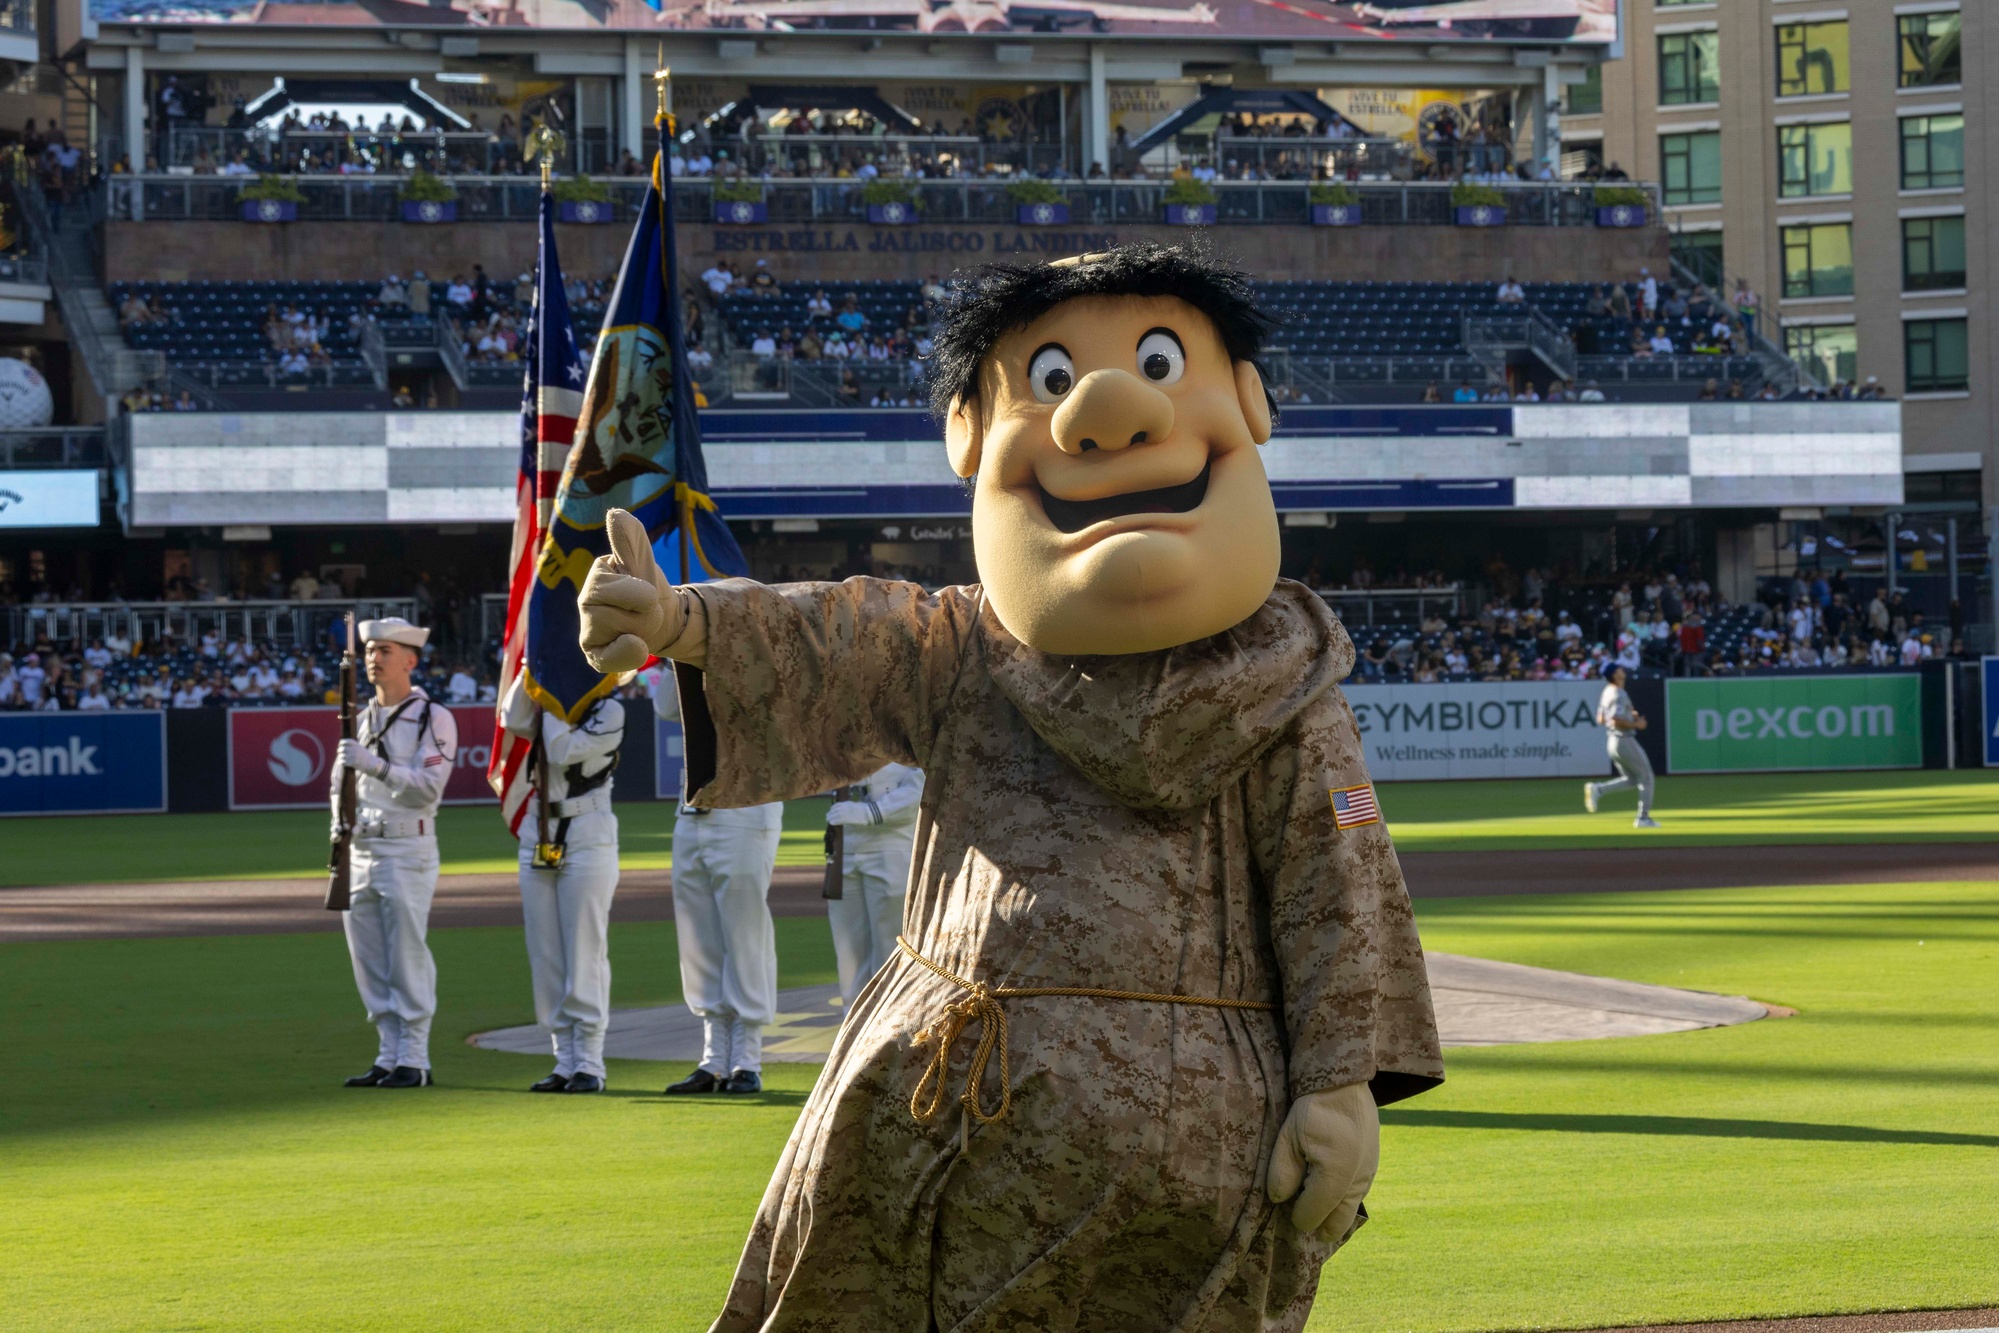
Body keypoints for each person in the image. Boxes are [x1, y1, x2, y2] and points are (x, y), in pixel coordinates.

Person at [332, 617, 459, 1089]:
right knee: (368, 959)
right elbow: (337, 786)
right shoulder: (361, 719)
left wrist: (377, 766)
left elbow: (427, 789)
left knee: (406, 954)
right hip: (362, 847)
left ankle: (415, 1057)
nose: (373, 659)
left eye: (384, 651)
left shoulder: (433, 717)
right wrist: (337, 834)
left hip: (408, 846)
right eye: (369, 651)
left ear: (410, 660)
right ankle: (387, 1054)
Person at [654, 670, 784, 1095]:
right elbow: (665, 706)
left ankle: (747, 1059)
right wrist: (681, 652)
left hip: (745, 804)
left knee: (743, 934)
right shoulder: (695, 664)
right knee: (699, 936)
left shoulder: (763, 659)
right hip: (692, 807)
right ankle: (712, 1059)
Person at [500, 675, 625, 1094]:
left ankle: (589, 1061)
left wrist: (550, 703)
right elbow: (511, 717)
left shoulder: (609, 709)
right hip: (540, 830)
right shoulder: (541, 700)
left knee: (584, 948)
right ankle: (563, 1059)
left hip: (588, 830)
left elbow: (562, 750)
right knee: (546, 951)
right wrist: (531, 671)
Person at [825, 763, 925, 1008]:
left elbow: (924, 780)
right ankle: (853, 1037)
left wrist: (873, 812)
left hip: (891, 844)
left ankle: (893, 1038)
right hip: (845, 844)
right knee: (850, 964)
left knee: (892, 953)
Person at [1583, 663, 1658, 828]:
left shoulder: (1607, 691)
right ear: (1615, 675)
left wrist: (1631, 718)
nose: (1623, 671)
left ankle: (1599, 789)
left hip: (1612, 741)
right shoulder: (1618, 693)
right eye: (1619, 669)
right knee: (1647, 777)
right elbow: (1616, 719)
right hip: (1624, 739)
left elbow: (1601, 719)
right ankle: (1643, 818)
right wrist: (1636, 725)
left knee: (1632, 779)